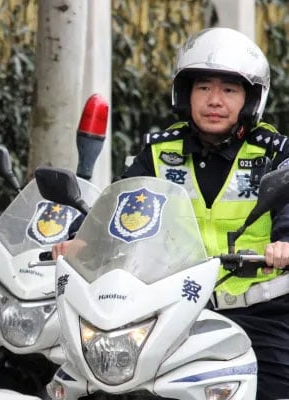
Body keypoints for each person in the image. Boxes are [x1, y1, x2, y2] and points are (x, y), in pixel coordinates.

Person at [53, 27, 289, 399]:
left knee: (275, 388)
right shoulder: (160, 152)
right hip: (171, 307)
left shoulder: (274, 154)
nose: (215, 100)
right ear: (186, 93)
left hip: (259, 309)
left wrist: (285, 244)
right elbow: (121, 206)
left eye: (229, 90)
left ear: (249, 99)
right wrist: (81, 240)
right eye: (204, 88)